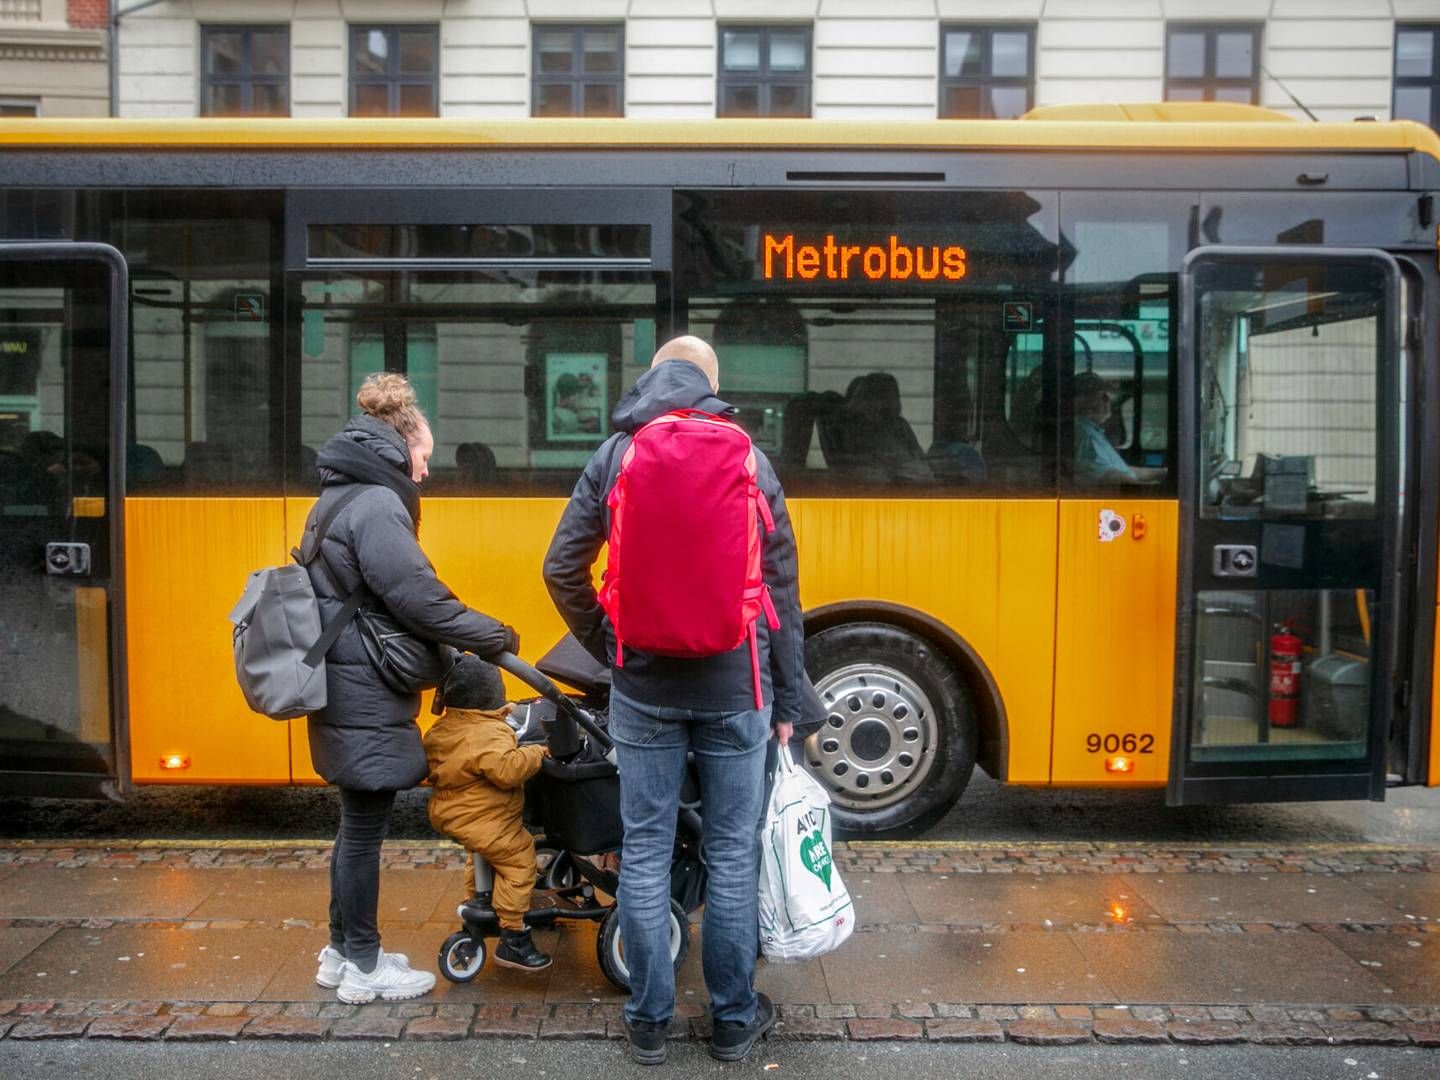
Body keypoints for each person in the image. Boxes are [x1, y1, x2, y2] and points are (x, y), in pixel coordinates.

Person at [543, 335, 804, 1065]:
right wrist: (790, 697)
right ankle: (731, 1018)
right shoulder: (751, 459)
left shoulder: (616, 454)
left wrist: (612, 644)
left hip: (644, 689)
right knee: (729, 851)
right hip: (736, 688)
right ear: (713, 385)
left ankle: (650, 1022)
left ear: (652, 379)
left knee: (647, 847)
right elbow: (781, 592)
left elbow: (561, 567)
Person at [307, 372, 518, 1005]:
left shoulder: (341, 497)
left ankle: (342, 953)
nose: (425, 471)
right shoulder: (376, 504)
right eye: (423, 457)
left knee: (355, 825)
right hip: (361, 688)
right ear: (399, 448)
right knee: (365, 830)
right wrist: (492, 633)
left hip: (344, 680)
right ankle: (365, 969)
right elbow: (417, 597)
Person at [422, 654, 552, 972]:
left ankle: (480, 901)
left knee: (481, 855)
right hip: (484, 817)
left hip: (452, 813)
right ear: (492, 698)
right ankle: (513, 935)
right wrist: (536, 751)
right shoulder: (489, 733)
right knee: (519, 859)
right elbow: (507, 770)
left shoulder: (444, 728)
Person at [1073, 371, 1163, 486]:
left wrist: (1160, 473)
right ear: (1085, 401)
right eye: (1103, 396)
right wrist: (1146, 488)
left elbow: (1123, 470)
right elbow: (1106, 476)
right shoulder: (1083, 433)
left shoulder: (1092, 431)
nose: (1108, 401)